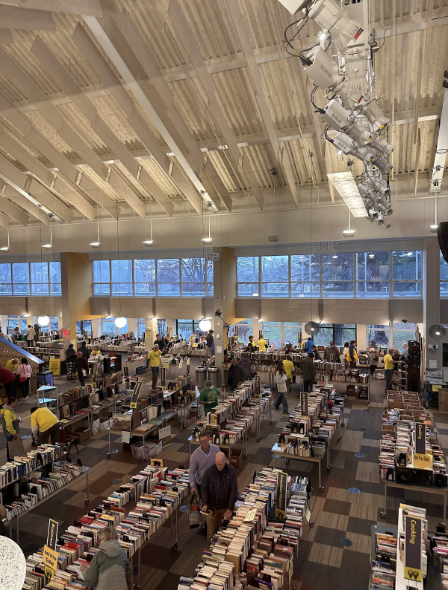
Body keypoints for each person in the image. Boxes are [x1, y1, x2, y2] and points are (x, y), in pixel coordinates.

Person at [201, 452, 238, 546]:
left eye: (221, 464)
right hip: (211, 508)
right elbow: (204, 488)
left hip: (225, 508)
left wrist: (230, 508)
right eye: (217, 464)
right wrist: (205, 503)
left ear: (225, 461)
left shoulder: (231, 470)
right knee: (210, 535)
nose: (219, 466)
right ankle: (210, 554)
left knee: (225, 534)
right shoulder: (209, 471)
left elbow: (234, 490)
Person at [189, 431, 220, 502]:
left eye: (205, 441)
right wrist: (193, 485)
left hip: (214, 480)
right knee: (205, 503)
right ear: (199, 443)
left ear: (209, 440)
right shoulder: (195, 455)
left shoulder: (216, 449)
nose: (204, 443)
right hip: (202, 483)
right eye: (202, 442)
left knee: (216, 500)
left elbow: (220, 462)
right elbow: (192, 471)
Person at [0, 397, 20, 461]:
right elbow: (9, 425)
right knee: (10, 446)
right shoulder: (7, 412)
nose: (16, 404)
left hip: (10, 432)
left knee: (11, 446)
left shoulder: (10, 410)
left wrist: (17, 420)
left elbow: (12, 419)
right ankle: (10, 460)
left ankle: (11, 458)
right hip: (10, 433)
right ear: (12, 402)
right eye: (15, 402)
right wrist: (14, 433)